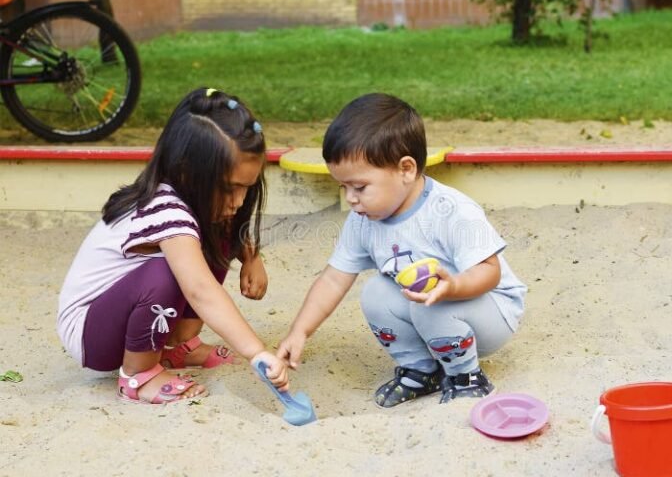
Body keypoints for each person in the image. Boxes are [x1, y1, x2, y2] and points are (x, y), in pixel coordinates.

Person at [277, 93, 526, 407]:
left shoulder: (451, 211)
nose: (350, 198)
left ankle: (466, 377)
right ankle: (422, 371)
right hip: (432, 311)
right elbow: (333, 279)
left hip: (489, 313)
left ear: (406, 169)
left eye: (360, 187)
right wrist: (300, 331)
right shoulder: (363, 219)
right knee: (375, 292)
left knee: (428, 301)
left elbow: (490, 272)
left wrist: (453, 287)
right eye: (344, 187)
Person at [57, 87, 289, 404]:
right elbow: (200, 290)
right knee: (166, 272)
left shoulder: (198, 203)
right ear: (185, 169)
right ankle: (139, 376)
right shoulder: (165, 208)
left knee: (218, 231)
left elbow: (231, 231)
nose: (238, 201)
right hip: (91, 333)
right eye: (229, 188)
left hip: (122, 317)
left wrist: (251, 257)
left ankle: (176, 347)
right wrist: (256, 351)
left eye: (246, 188)